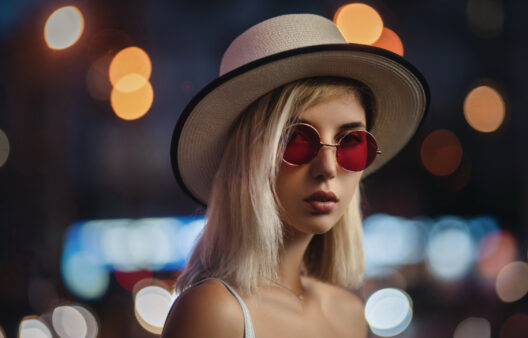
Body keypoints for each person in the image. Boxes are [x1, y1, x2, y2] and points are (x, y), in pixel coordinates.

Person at [162, 13, 428, 338]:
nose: (328, 168)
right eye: (296, 140)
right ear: (249, 159)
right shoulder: (213, 311)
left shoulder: (349, 313)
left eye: (351, 143)